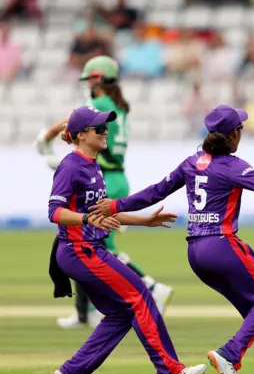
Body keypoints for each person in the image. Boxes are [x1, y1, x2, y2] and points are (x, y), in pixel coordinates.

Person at [89, 105, 254, 374]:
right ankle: (229, 354)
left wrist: (116, 205)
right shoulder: (233, 166)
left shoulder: (192, 163)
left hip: (195, 251)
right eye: (241, 129)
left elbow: (156, 191)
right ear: (234, 134)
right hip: (223, 245)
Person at [49, 106, 206, 374]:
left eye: (106, 126)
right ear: (82, 135)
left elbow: (103, 212)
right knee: (140, 296)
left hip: (87, 249)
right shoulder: (71, 166)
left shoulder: (93, 164)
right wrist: (85, 219)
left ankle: (74, 371)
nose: (105, 131)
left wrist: (144, 221)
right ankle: (171, 371)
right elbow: (55, 212)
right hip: (79, 250)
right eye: (99, 128)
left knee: (122, 311)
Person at [35, 55, 173, 330]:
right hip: (115, 175)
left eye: (90, 80)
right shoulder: (119, 108)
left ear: (97, 80)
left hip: (105, 176)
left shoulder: (100, 105)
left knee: (90, 242)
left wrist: (47, 135)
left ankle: (149, 286)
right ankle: (85, 311)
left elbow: (72, 119)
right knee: (83, 241)